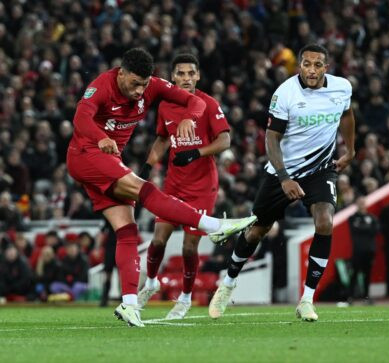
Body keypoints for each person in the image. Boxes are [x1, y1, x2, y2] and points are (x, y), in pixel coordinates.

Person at [65, 48, 256, 327]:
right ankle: (214, 226)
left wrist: (190, 116)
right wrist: (101, 136)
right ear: (121, 74)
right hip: (86, 154)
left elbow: (194, 102)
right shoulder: (101, 87)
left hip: (107, 161)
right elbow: (81, 118)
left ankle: (130, 304)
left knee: (127, 230)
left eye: (144, 84)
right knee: (145, 190)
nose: (140, 90)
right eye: (134, 84)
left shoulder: (152, 87)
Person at [208, 43, 356, 322]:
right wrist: (285, 177)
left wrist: (350, 149)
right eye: (306, 64)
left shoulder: (342, 88)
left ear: (327, 67)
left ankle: (307, 300)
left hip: (320, 169)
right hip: (282, 171)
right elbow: (271, 138)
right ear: (299, 65)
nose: (311, 70)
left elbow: (347, 115)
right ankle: (227, 284)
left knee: (325, 221)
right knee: (257, 231)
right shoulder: (285, 93)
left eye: (317, 64)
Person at [136, 54, 231, 319]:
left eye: (191, 74)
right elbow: (161, 140)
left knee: (189, 247)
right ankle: (151, 283)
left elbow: (225, 141)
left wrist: (196, 153)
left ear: (198, 76)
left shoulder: (208, 104)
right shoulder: (166, 105)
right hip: (173, 184)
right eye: (181, 74)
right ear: (173, 77)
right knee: (157, 240)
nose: (187, 78)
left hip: (202, 186)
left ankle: (185, 299)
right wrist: (146, 168)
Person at [348, 196, 379, 303]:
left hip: (369, 250)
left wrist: (362, 227)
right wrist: (367, 227)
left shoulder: (372, 217)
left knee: (367, 274)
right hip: (357, 250)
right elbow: (354, 230)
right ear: (356, 204)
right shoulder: (352, 218)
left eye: (363, 203)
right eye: (359, 203)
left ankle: (366, 297)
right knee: (354, 273)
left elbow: (375, 230)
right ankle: (350, 297)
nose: (362, 205)